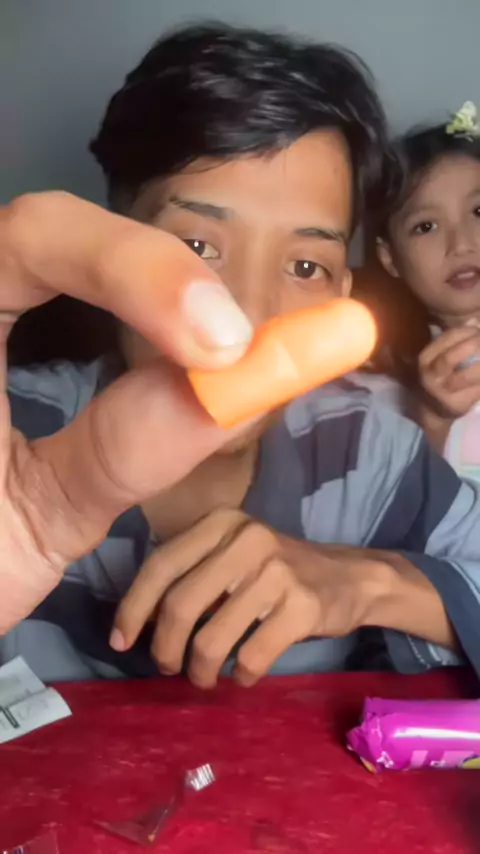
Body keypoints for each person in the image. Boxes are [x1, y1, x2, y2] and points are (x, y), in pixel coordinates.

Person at [2, 25, 480, 687]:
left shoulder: (374, 455)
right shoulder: (20, 429)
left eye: (305, 266)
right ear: (109, 254)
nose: (249, 317)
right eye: (198, 248)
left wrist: (367, 583)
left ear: (342, 295)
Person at [371, 102, 480, 479]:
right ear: (390, 259)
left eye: (479, 212)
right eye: (425, 227)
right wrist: (434, 418)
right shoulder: (379, 394)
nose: (461, 244)